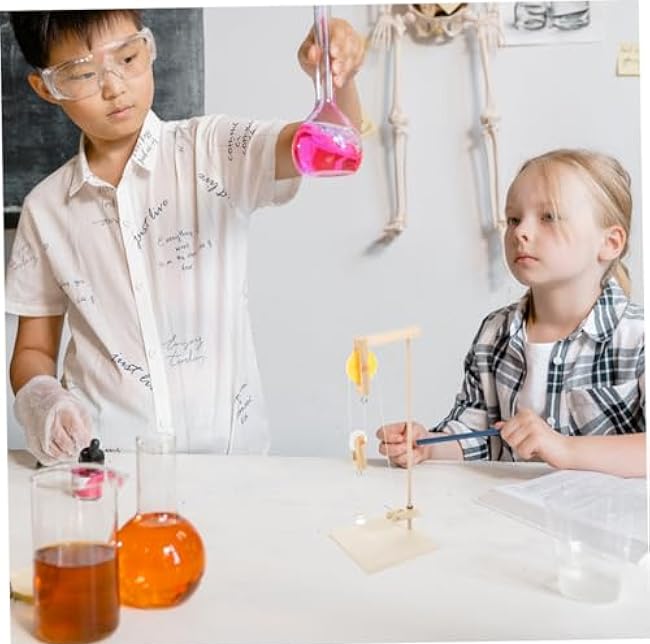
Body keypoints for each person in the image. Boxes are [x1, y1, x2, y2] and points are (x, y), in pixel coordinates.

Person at [6, 9, 365, 464]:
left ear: (149, 47)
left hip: (229, 467)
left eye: (128, 58)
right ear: (46, 87)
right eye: (82, 74)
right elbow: (33, 349)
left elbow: (333, 142)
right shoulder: (46, 208)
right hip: (106, 467)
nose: (114, 87)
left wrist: (336, 80)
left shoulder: (214, 150)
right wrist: (44, 402)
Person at [377, 149, 646, 478]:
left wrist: (564, 448)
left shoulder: (637, 337)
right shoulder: (495, 332)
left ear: (610, 243)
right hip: (509, 509)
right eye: (514, 219)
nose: (520, 232)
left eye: (549, 217)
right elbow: (479, 435)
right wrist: (429, 446)